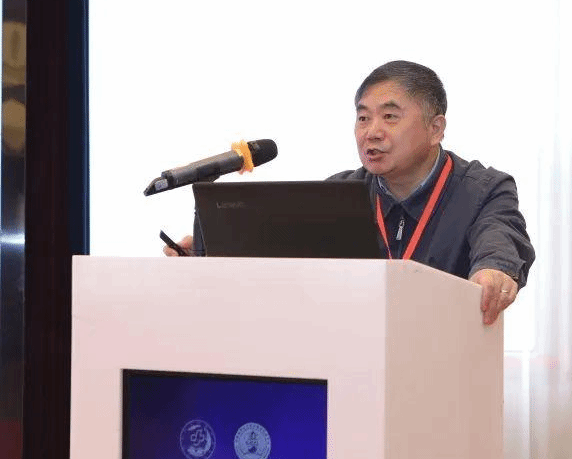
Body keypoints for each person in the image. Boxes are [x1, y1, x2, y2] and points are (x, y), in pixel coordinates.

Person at [164, 60, 535, 325]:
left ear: (435, 128)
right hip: (352, 370)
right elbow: (280, 256)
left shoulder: (483, 191)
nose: (371, 132)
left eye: (390, 117)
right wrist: (213, 252)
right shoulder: (339, 194)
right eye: (363, 117)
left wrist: (495, 270)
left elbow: (501, 239)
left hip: (442, 371)